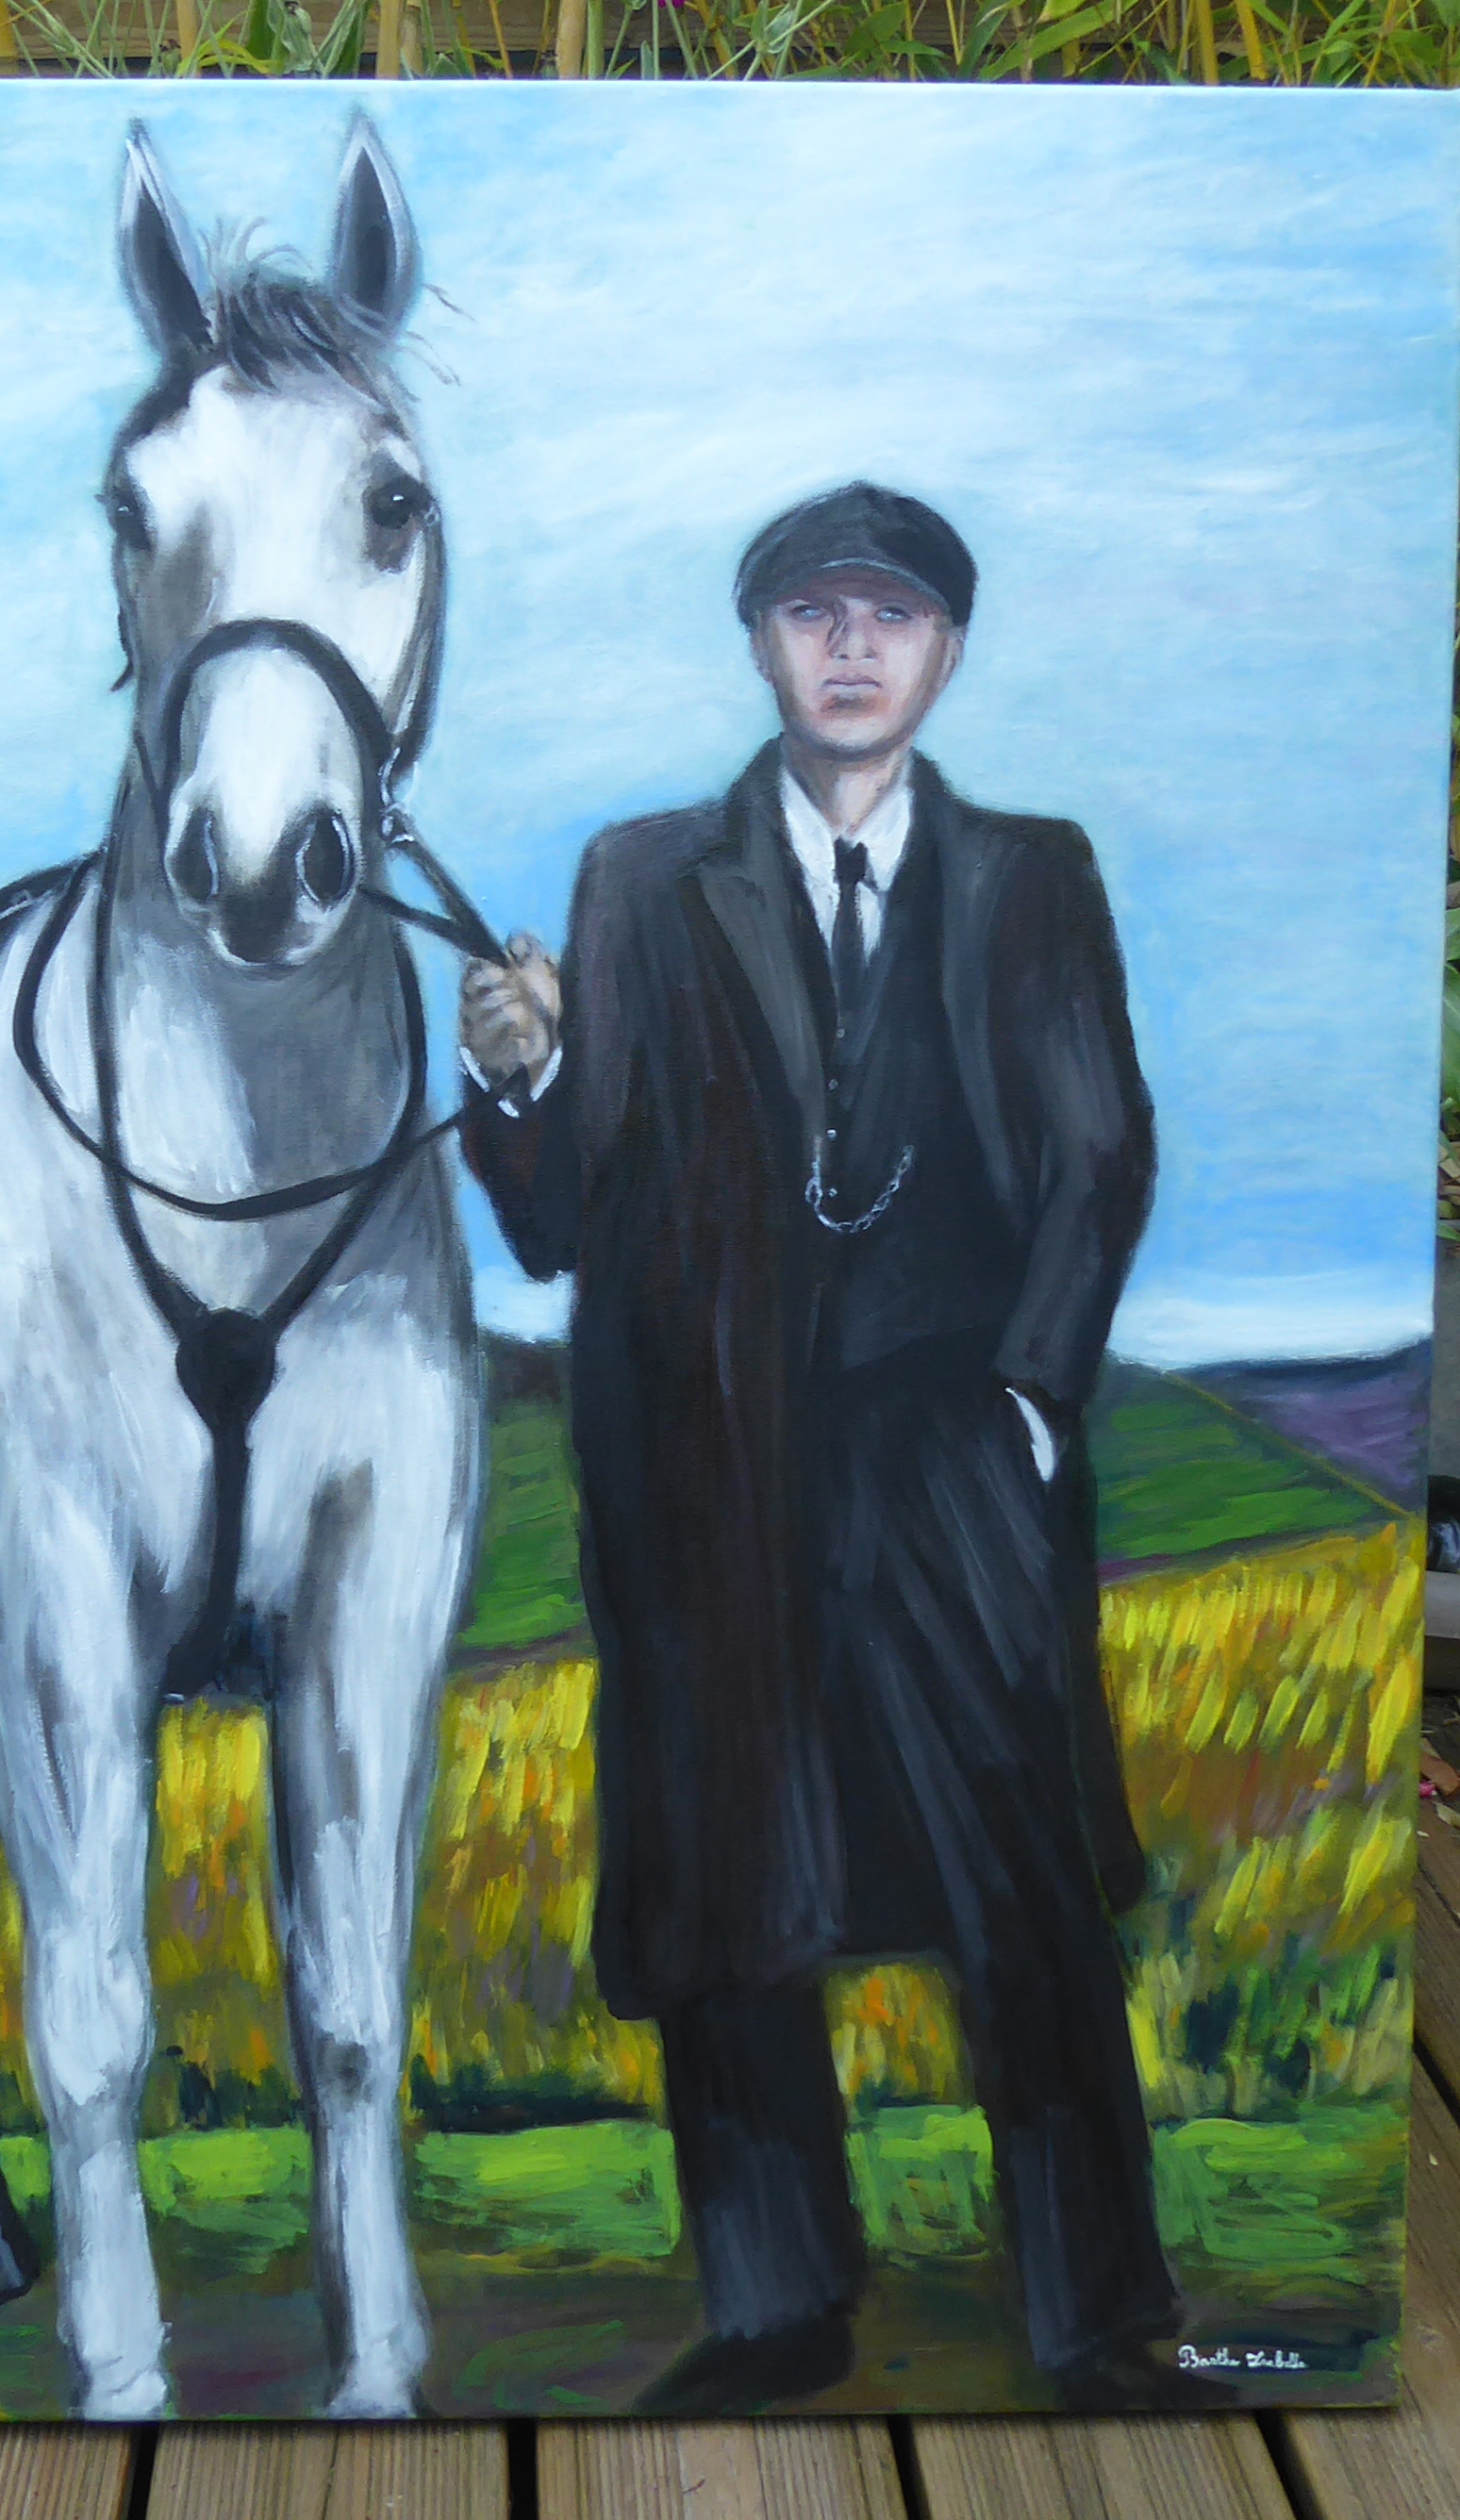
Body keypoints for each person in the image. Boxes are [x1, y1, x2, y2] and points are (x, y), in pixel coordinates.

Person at [456, 482, 1188, 2413]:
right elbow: (564, 1220)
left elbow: (1100, 1152)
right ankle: (776, 2307)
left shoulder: (1031, 874)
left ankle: (1101, 2317)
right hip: (707, 1470)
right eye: (811, 613)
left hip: (955, 1451)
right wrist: (526, 1076)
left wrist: (1029, 1401)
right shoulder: (640, 882)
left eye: (891, 613)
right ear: (762, 643)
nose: (851, 646)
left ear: (945, 648)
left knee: (1023, 1885)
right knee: (725, 1891)